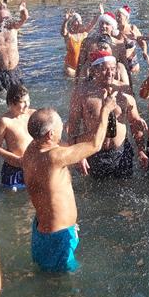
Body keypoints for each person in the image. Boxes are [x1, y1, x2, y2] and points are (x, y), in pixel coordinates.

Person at [23, 103, 115, 272]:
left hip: (41, 230)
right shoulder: (54, 157)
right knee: (65, 288)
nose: (63, 127)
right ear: (50, 134)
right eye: (60, 126)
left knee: (45, 275)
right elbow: (95, 144)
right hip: (58, 237)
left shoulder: (30, 150)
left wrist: (76, 154)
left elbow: (57, 147)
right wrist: (106, 110)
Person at [67, 50, 149, 177]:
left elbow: (134, 122)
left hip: (121, 152)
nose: (110, 73)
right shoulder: (81, 93)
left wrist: (141, 150)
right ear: (94, 71)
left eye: (113, 69)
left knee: (125, 190)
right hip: (93, 152)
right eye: (105, 69)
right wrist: (79, 155)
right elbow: (73, 126)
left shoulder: (124, 89)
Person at [0, 84, 35, 191]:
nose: (27, 104)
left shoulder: (32, 114)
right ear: (11, 102)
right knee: (13, 202)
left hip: (32, 166)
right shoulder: (5, 121)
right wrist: (16, 159)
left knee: (33, 201)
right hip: (13, 169)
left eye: (28, 100)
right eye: (23, 102)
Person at [0, 2, 29, 93]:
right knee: (1, 99)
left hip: (14, 70)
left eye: (6, 18)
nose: (3, 20)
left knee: (20, 95)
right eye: (1, 17)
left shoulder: (13, 28)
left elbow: (24, 18)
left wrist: (22, 9)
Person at [61, 8, 99, 77]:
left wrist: (99, 14)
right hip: (70, 68)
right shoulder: (69, 36)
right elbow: (63, 33)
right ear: (71, 23)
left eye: (79, 21)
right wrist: (65, 20)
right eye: (76, 21)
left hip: (81, 68)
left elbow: (92, 24)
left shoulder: (84, 34)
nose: (78, 23)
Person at [116, 5, 146, 75]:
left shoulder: (132, 28)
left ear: (126, 17)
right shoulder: (115, 31)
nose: (117, 18)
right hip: (120, 63)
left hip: (132, 62)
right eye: (116, 16)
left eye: (119, 16)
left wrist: (144, 52)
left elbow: (142, 42)